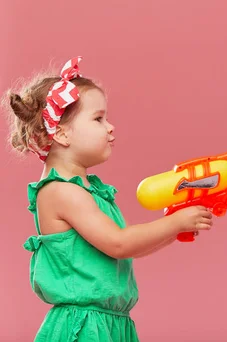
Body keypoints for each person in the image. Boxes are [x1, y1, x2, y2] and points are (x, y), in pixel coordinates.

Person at [3, 56, 214, 341]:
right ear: (62, 133)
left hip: (109, 322)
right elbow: (119, 242)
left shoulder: (87, 190)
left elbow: (127, 248)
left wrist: (174, 230)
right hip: (84, 327)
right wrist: (175, 223)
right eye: (98, 118)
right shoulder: (62, 191)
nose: (110, 127)